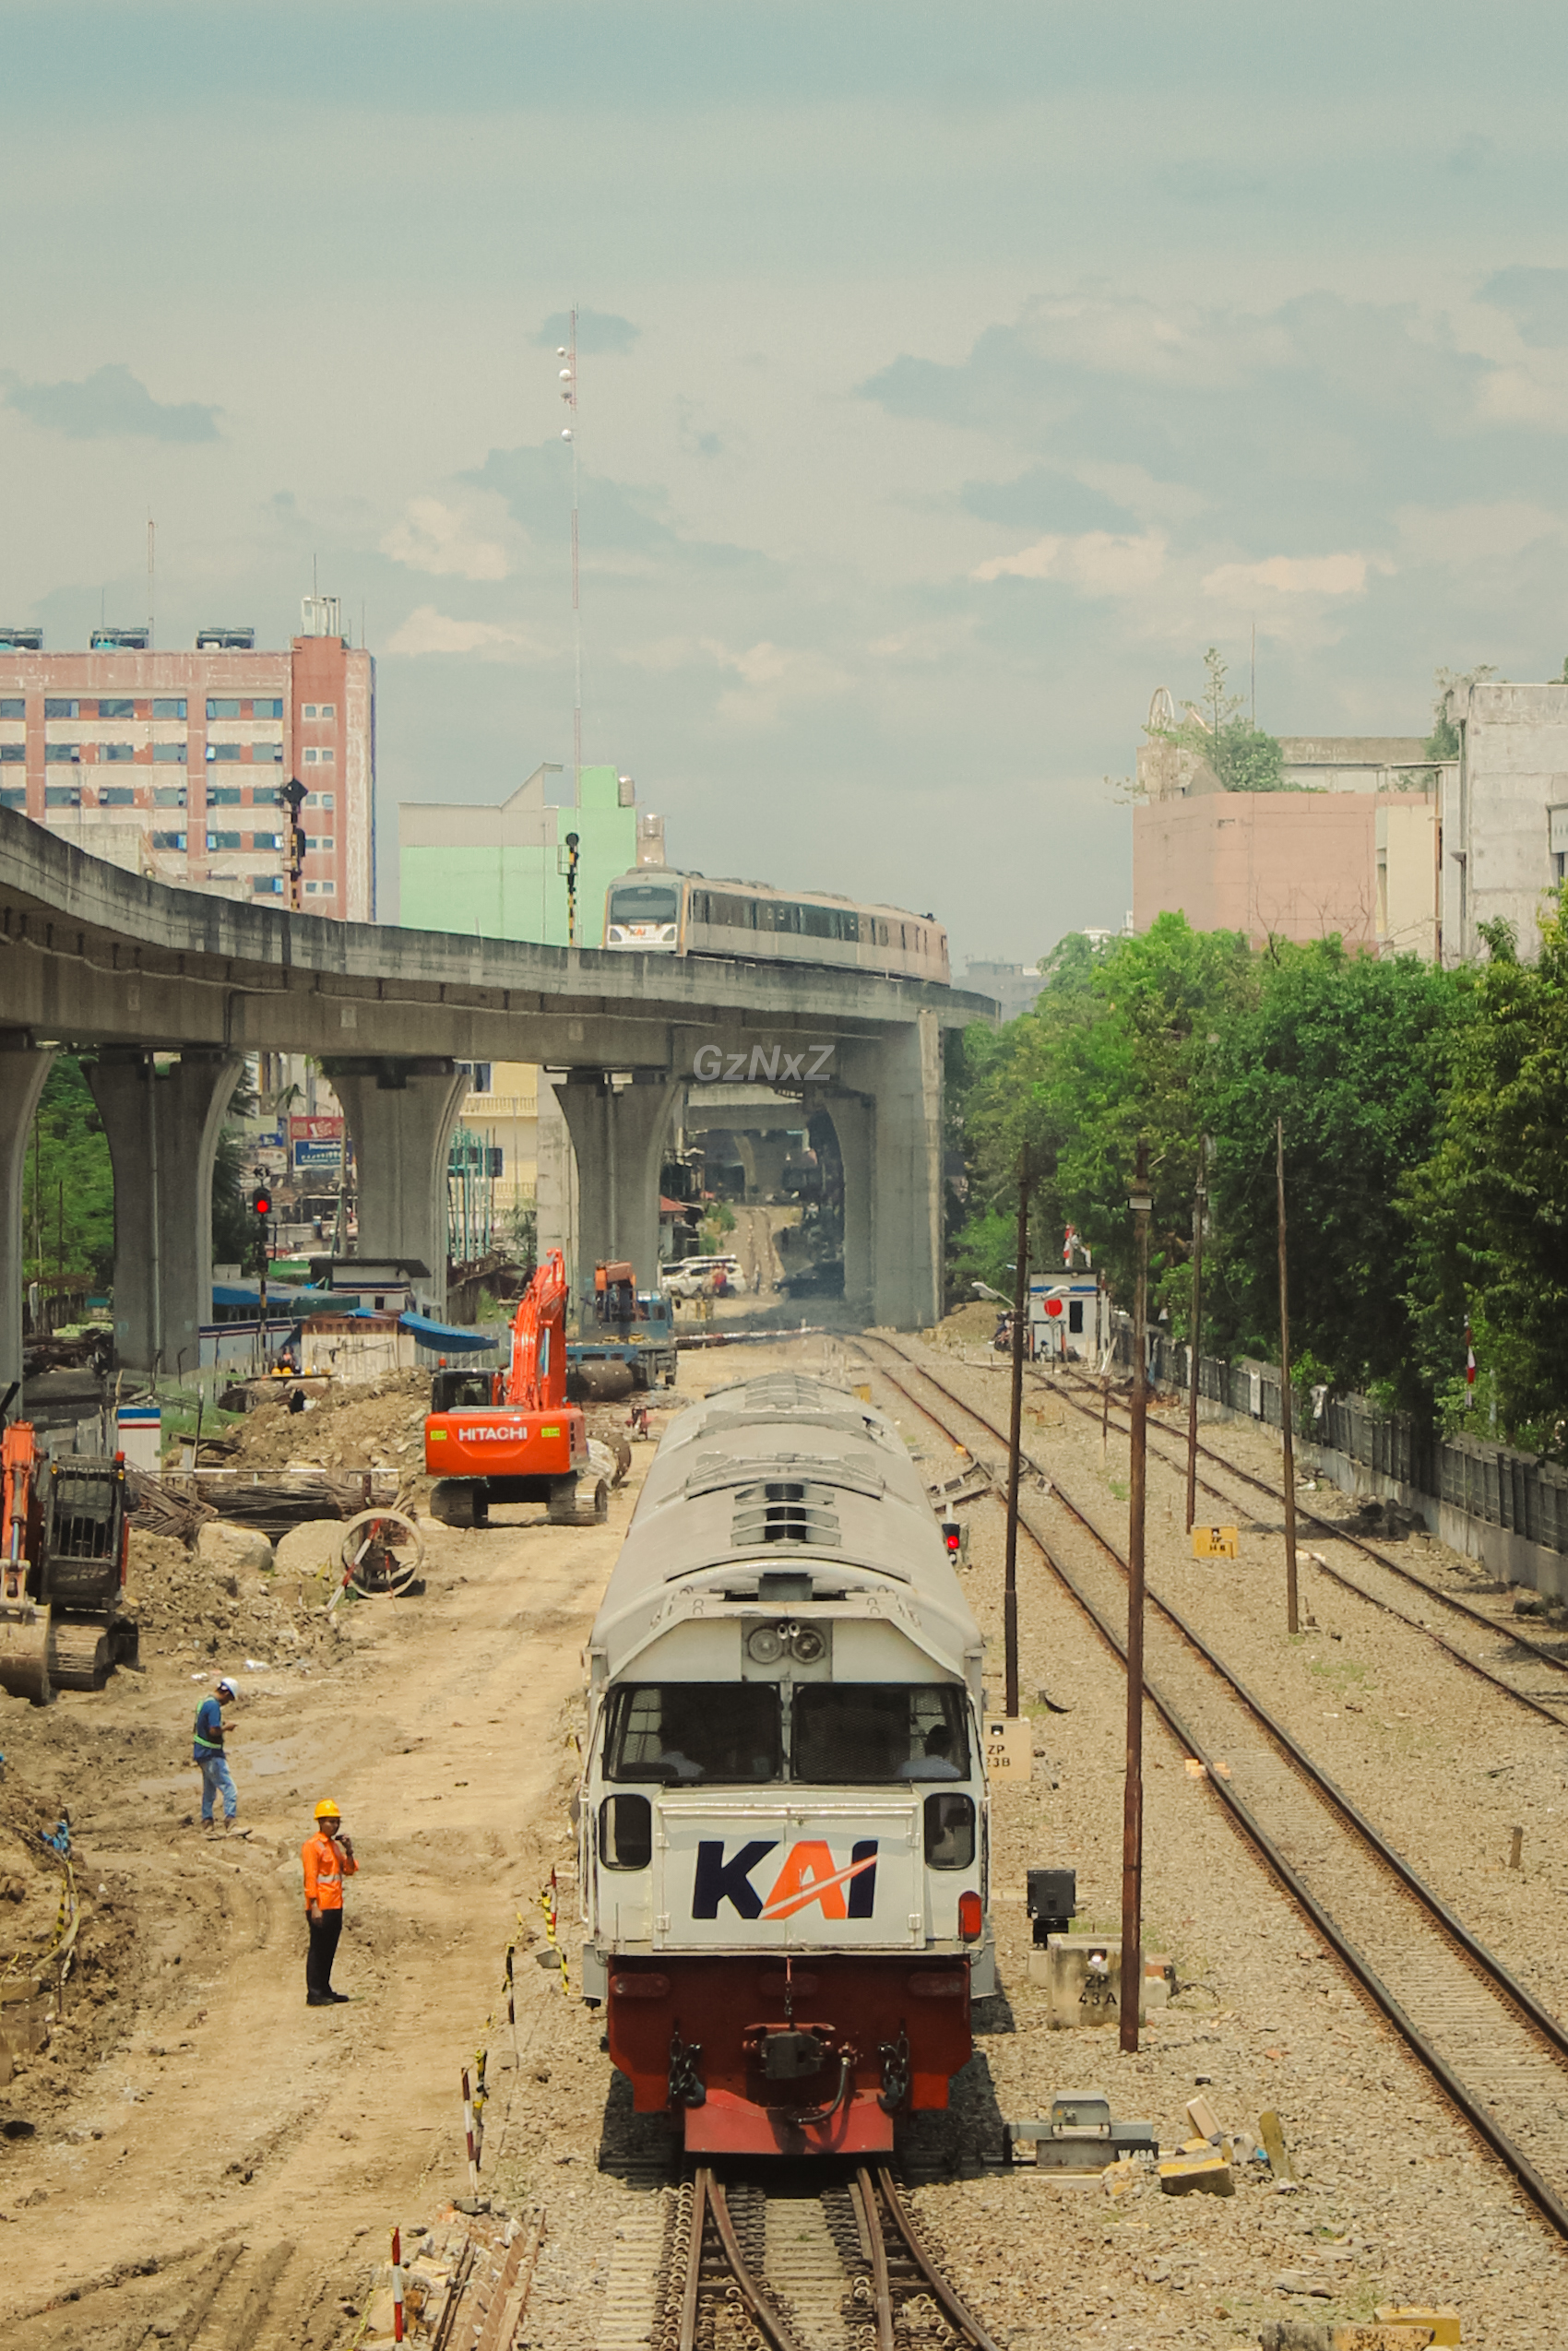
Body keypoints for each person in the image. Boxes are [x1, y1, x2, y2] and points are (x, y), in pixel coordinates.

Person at [302, 1799, 358, 2007]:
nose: (334, 1826)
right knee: (318, 1949)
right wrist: (314, 1905)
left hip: (335, 1905)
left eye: (337, 1822)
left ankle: (325, 1989)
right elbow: (310, 1877)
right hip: (321, 1907)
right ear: (320, 1822)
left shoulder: (333, 1846)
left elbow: (349, 1870)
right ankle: (314, 1993)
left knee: (329, 1949)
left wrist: (349, 1850)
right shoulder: (312, 1846)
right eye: (331, 1822)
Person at [192, 1675, 239, 1831]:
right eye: (229, 1699)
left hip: (202, 1753)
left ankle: (207, 1823)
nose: (227, 1703)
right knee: (229, 1787)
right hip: (212, 1754)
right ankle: (230, 1822)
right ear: (226, 1694)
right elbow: (213, 1730)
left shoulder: (204, 1702)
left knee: (209, 1790)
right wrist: (226, 1727)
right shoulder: (214, 1706)